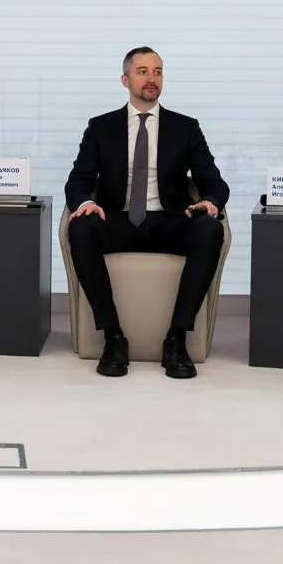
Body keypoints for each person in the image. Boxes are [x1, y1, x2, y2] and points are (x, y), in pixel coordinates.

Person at [65, 47, 229, 379]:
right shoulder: (101, 127)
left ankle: (176, 339)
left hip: (169, 221)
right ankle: (113, 337)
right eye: (142, 71)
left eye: (157, 71)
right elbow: (78, 180)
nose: (151, 78)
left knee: (210, 229)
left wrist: (210, 200)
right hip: (117, 220)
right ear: (125, 80)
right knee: (81, 228)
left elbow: (213, 181)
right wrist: (85, 203)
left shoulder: (185, 127)